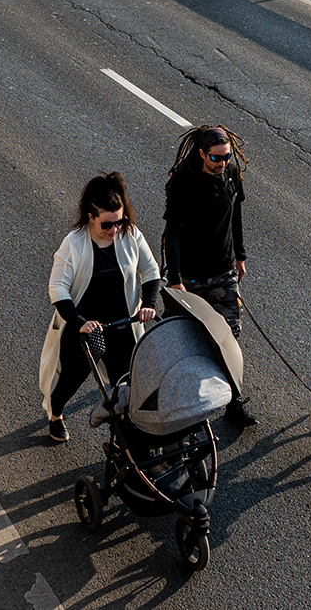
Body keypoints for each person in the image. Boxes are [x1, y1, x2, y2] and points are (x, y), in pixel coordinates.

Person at [39, 173, 161, 443]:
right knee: (70, 378)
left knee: (127, 387)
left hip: (121, 326)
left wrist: (149, 304)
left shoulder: (130, 235)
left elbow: (150, 271)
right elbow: (57, 289)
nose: (114, 229)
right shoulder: (73, 244)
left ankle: (125, 439)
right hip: (86, 329)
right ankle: (56, 414)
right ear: (91, 217)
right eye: (107, 224)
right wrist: (79, 321)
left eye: (119, 221)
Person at [162, 126, 255, 429]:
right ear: (202, 154)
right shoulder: (183, 184)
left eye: (226, 156)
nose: (222, 162)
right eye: (216, 157)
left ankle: (232, 401)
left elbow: (236, 214)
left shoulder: (230, 174)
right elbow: (173, 231)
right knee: (182, 339)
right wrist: (175, 277)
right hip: (189, 278)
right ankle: (176, 400)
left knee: (229, 339)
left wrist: (239, 255)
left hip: (223, 272)